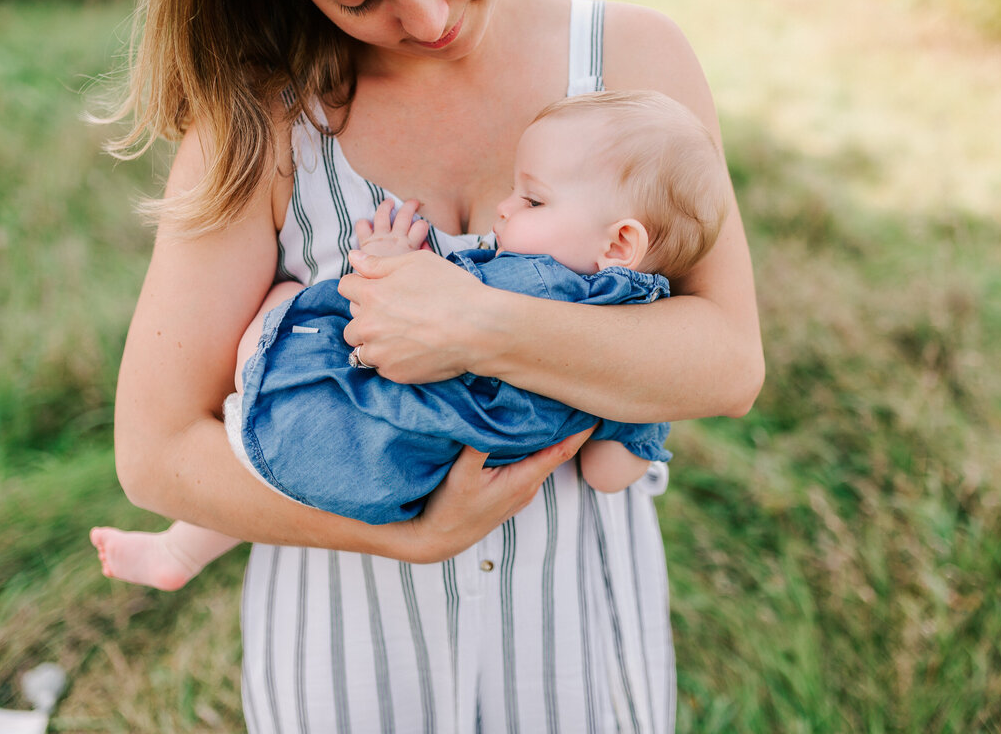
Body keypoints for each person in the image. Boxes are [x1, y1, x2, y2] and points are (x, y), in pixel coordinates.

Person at [105, 0, 764, 729]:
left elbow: (729, 365)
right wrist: (410, 538)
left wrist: (480, 323)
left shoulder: (630, 57)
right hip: (349, 654)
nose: (426, 15)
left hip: (576, 644)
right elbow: (157, 453)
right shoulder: (263, 115)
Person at [92, 90, 728, 590]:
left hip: (358, 426)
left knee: (286, 317)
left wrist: (386, 253)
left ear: (619, 242)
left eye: (531, 199)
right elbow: (611, 475)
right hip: (414, 474)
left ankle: (180, 546)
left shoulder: (515, 277)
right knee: (295, 449)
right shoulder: (639, 340)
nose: (505, 210)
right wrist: (630, 424)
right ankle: (179, 547)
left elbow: (403, 302)